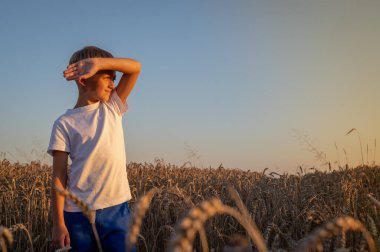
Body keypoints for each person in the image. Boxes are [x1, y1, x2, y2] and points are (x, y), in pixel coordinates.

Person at [47, 46, 141, 251]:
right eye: (107, 77)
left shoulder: (112, 107)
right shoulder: (63, 123)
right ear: (83, 80)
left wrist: (100, 64)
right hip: (76, 215)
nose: (112, 84)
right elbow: (59, 175)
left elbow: (135, 68)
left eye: (114, 78)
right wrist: (58, 224)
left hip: (116, 211)